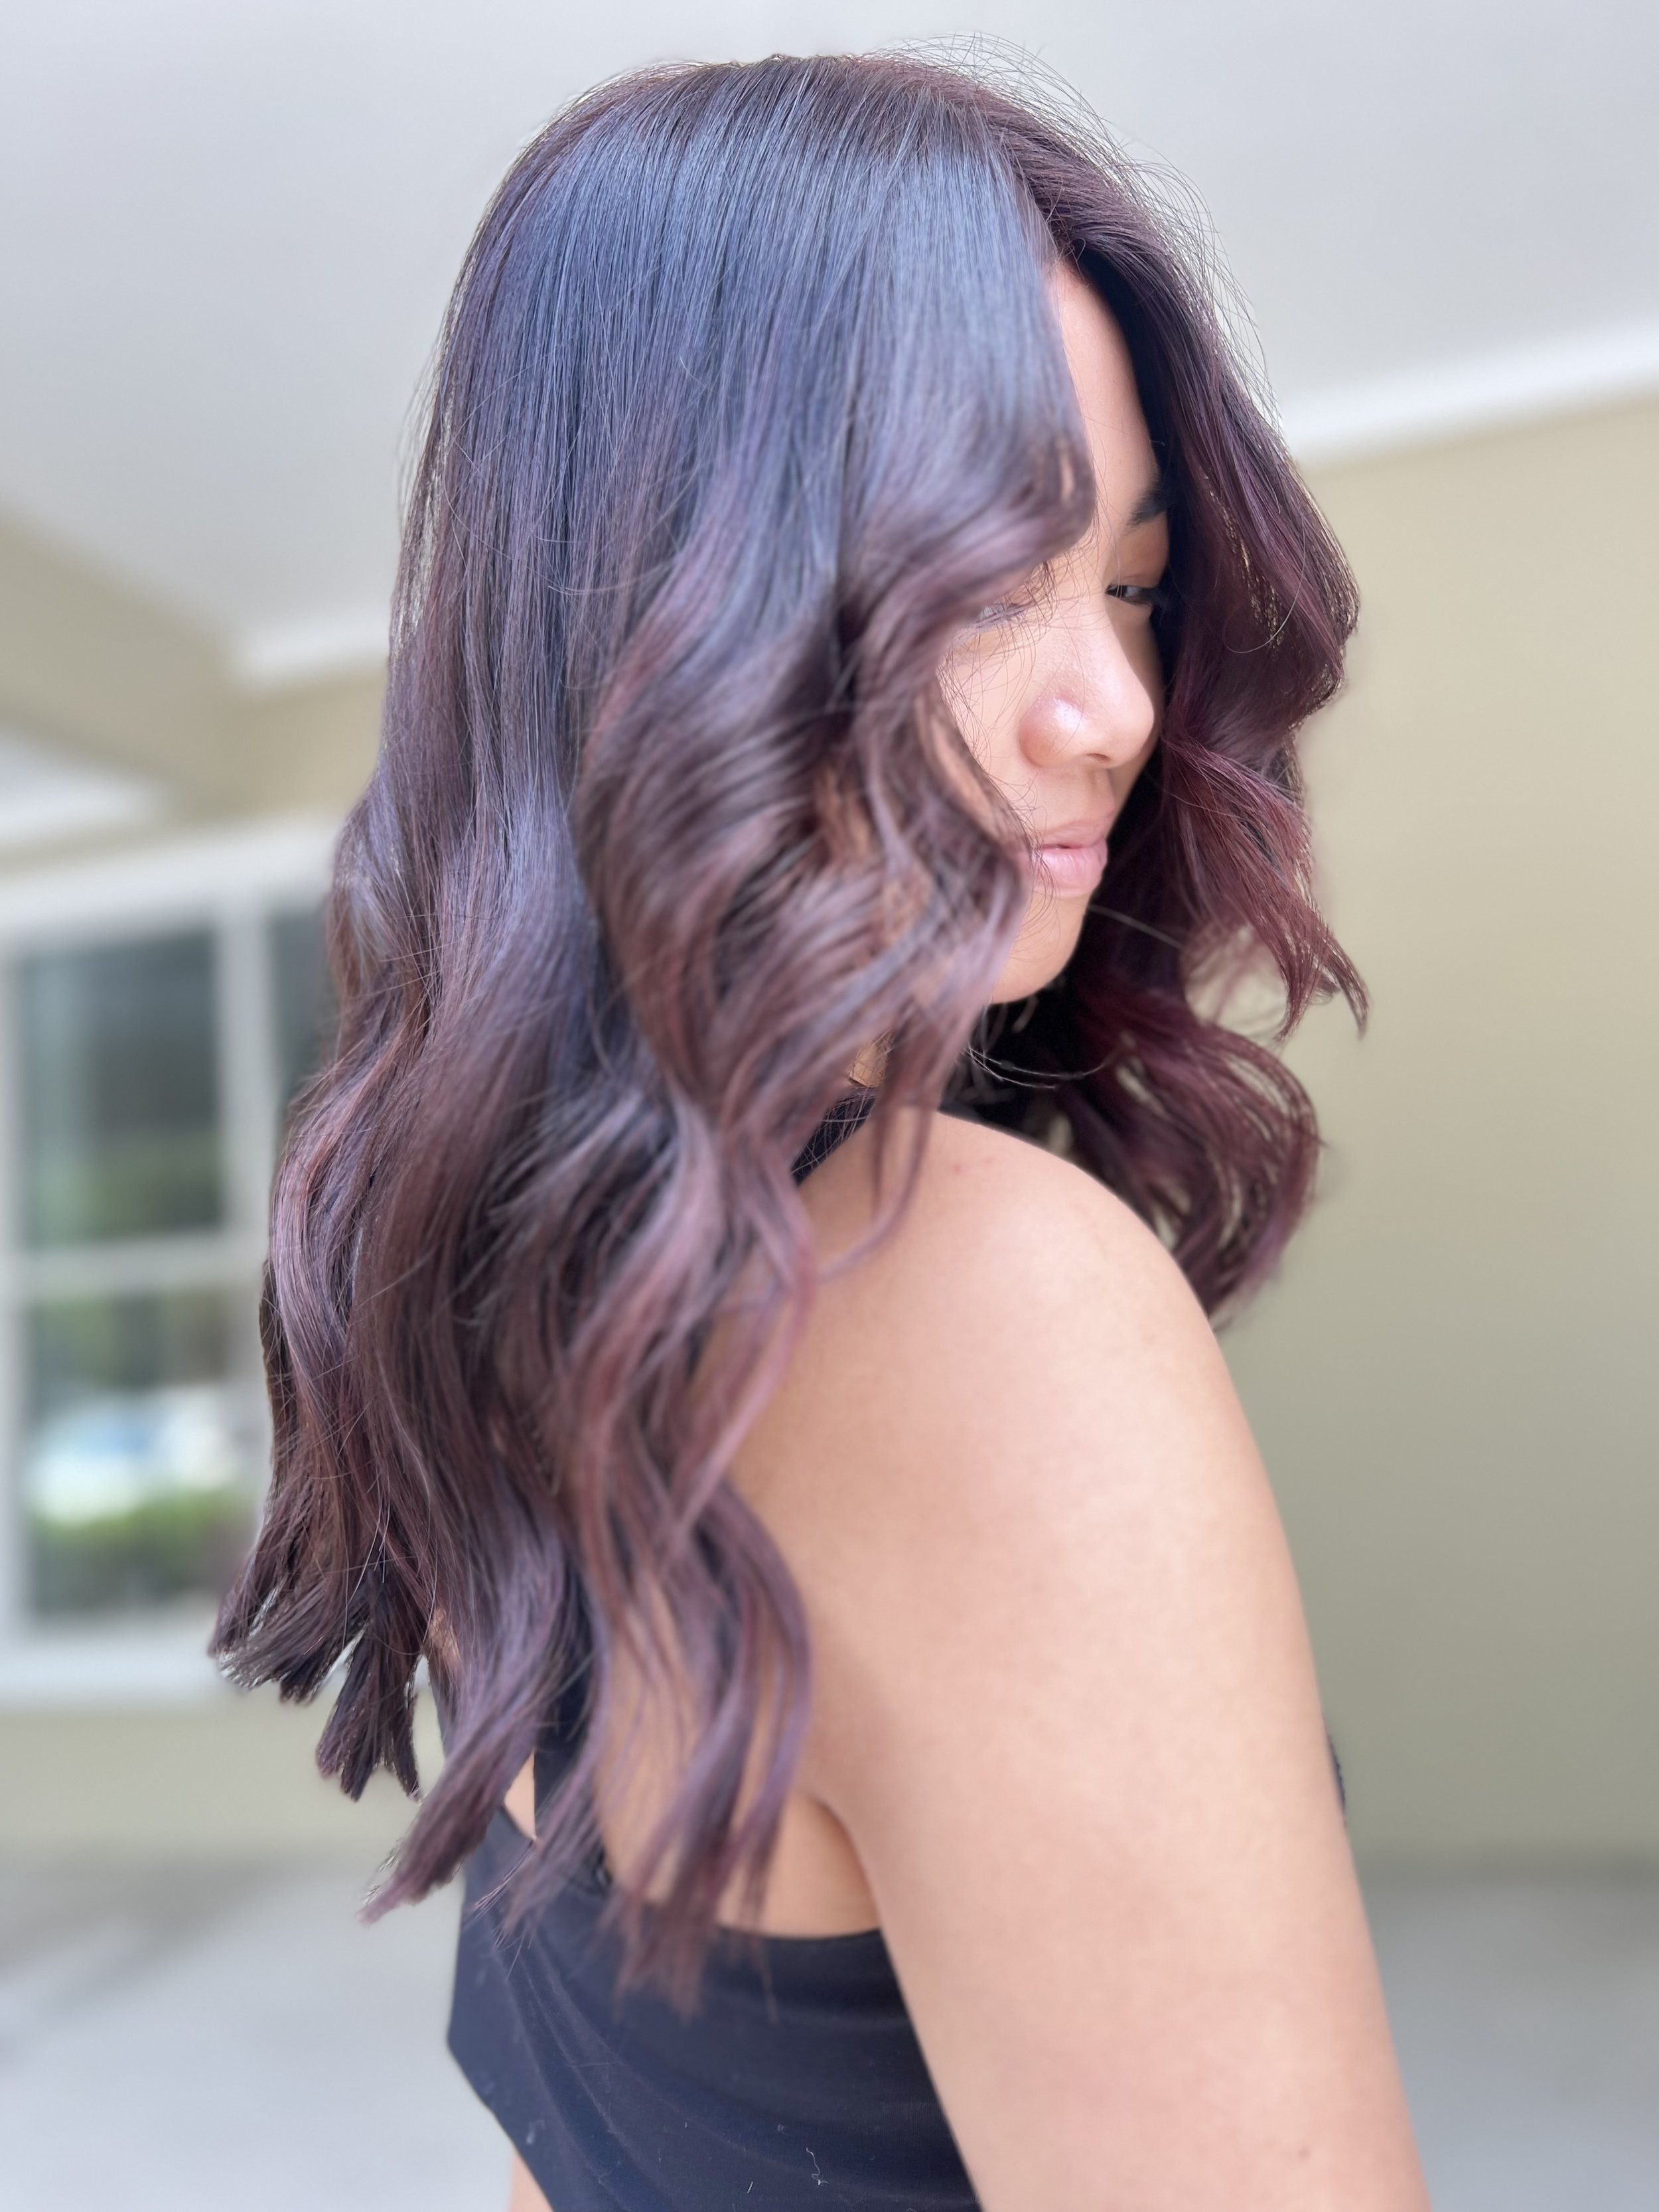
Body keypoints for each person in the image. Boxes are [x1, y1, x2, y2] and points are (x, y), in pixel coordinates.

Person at [213, 50, 1431, 2211]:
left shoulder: (510, 1296)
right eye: (982, 582)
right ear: (658, 603)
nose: (1114, 708)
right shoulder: (982, 1301)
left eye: (1130, 581)